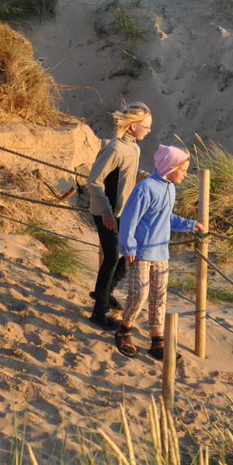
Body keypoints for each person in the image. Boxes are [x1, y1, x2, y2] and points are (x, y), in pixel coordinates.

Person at [114, 145, 205, 359]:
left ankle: (157, 341)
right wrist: (128, 246)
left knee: (159, 296)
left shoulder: (170, 188)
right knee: (139, 294)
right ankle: (124, 331)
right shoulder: (145, 188)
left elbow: (166, 217)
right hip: (141, 253)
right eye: (183, 169)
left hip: (161, 252)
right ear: (171, 167)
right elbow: (129, 218)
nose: (185, 173)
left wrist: (190, 225)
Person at [85, 102, 152, 329]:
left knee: (135, 249)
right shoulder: (114, 149)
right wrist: (105, 212)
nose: (148, 130)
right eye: (146, 126)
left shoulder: (134, 148)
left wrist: (154, 179)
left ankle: (104, 292)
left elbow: (130, 175)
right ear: (132, 126)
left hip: (122, 211)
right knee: (113, 257)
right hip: (106, 212)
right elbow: (94, 181)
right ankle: (99, 311)